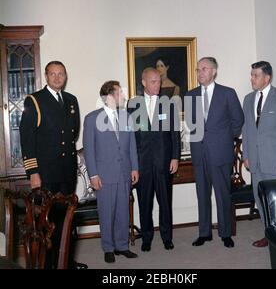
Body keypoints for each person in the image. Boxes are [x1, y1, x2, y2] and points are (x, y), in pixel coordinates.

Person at [19, 60, 87, 269]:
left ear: (66, 77)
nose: (58, 78)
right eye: (53, 74)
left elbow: (73, 132)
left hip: (66, 170)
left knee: (66, 219)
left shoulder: (71, 100)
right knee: (47, 223)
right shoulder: (36, 100)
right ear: (46, 76)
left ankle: (65, 260)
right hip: (46, 173)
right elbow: (27, 138)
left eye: (61, 74)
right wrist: (33, 172)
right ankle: (48, 264)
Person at [186, 57, 244, 248]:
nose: (199, 72)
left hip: (221, 153)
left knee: (222, 194)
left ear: (214, 71)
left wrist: (225, 139)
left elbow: (238, 121)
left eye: (203, 69)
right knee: (202, 194)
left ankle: (225, 233)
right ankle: (204, 233)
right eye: (198, 69)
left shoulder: (227, 93)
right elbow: (191, 124)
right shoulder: (190, 95)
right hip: (199, 153)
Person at [83, 81, 139, 263]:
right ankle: (108, 247)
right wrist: (93, 175)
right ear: (109, 96)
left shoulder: (126, 117)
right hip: (104, 175)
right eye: (120, 92)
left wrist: (134, 168)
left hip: (124, 173)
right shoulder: (92, 119)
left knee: (123, 211)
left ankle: (122, 246)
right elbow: (89, 150)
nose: (123, 96)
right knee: (106, 212)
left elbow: (132, 146)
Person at [127, 67, 181, 252]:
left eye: (159, 81)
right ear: (143, 83)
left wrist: (175, 157)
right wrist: (132, 164)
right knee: (144, 202)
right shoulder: (133, 105)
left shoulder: (168, 104)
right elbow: (131, 138)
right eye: (153, 81)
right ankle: (147, 238)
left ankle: (167, 237)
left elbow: (175, 134)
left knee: (166, 202)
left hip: (164, 162)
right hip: (142, 164)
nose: (158, 85)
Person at [242, 61, 276, 248]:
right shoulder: (248, 99)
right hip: (254, 162)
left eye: (256, 75)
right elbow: (246, 130)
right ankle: (269, 235)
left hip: (275, 161)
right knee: (260, 199)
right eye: (251, 75)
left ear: (267, 77)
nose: (252, 79)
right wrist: (246, 155)